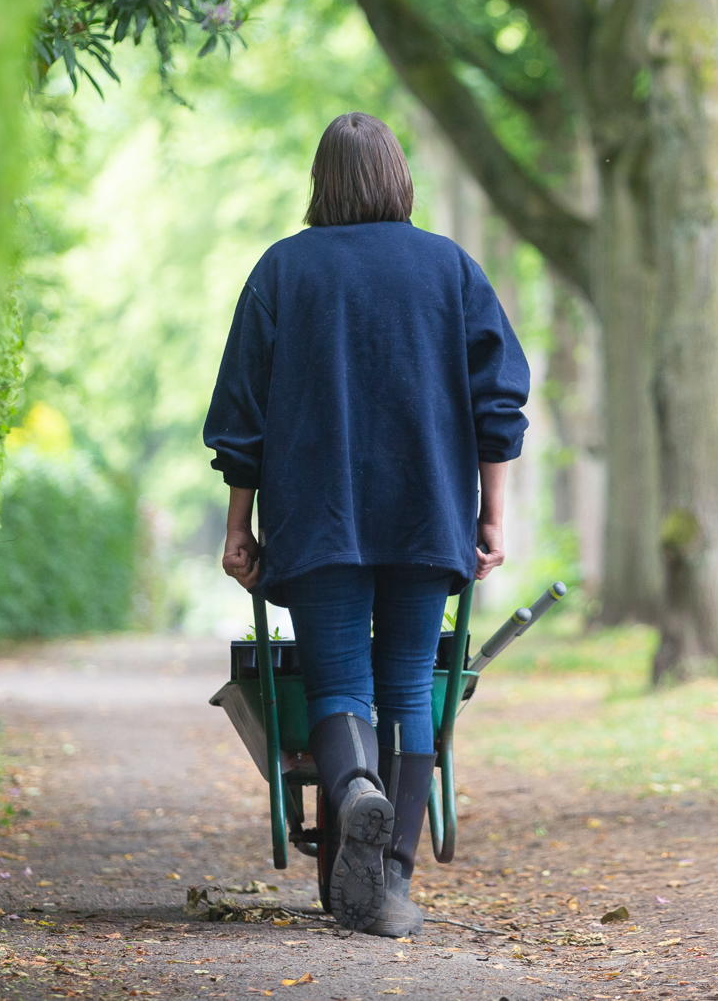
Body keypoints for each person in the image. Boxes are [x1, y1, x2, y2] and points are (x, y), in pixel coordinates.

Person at [202, 112, 530, 937]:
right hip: (427, 511)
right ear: (398, 177)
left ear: (323, 181)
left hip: (319, 515)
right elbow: (499, 404)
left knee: (339, 681)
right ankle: (387, 889)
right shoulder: (451, 268)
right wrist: (491, 514)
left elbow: (241, 416)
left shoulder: (282, 270)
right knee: (411, 684)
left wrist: (239, 525)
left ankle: (352, 790)